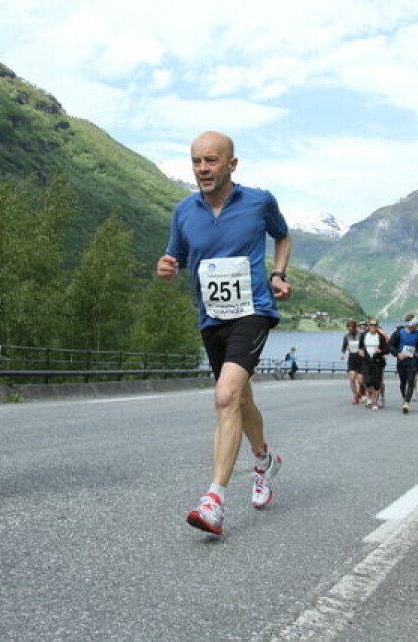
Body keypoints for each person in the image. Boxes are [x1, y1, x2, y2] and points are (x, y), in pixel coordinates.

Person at [156, 131, 292, 536]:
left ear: (231, 164)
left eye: (211, 160)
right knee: (240, 398)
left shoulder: (259, 201)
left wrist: (279, 274)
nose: (203, 169)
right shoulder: (184, 211)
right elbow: (176, 257)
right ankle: (264, 459)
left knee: (225, 395)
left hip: (253, 311)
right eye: (196, 161)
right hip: (211, 317)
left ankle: (213, 500)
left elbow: (282, 235)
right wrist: (167, 266)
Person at [388, 314, 418, 414]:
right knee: (403, 382)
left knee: (411, 381)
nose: (417, 326)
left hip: (412, 360)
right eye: (416, 324)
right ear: (411, 324)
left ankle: (406, 402)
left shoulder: (417, 333)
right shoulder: (399, 333)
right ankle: (404, 397)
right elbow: (390, 345)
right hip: (401, 360)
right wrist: (398, 354)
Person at [359, 318, 389, 410]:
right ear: (368, 326)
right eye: (371, 324)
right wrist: (360, 351)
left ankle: (375, 402)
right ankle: (371, 398)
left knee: (376, 383)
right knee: (367, 382)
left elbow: (387, 350)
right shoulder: (364, 335)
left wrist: (380, 351)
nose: (373, 326)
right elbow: (360, 347)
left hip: (378, 362)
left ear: (377, 326)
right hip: (366, 361)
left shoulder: (380, 336)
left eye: (375, 325)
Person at [340, 320, 364, 404]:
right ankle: (355, 396)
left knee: (360, 380)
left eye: (352, 328)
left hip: (361, 358)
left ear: (355, 327)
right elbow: (344, 346)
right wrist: (343, 354)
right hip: (352, 358)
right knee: (352, 377)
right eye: (349, 328)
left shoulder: (361, 335)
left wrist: (363, 350)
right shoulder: (346, 336)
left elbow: (365, 345)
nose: (350, 330)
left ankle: (362, 391)